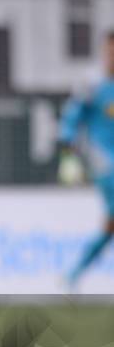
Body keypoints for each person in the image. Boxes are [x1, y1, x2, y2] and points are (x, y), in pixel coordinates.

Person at [59, 31, 114, 289]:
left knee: (110, 225)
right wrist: (68, 155)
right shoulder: (93, 84)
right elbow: (71, 119)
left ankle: (72, 276)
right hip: (104, 161)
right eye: (109, 50)